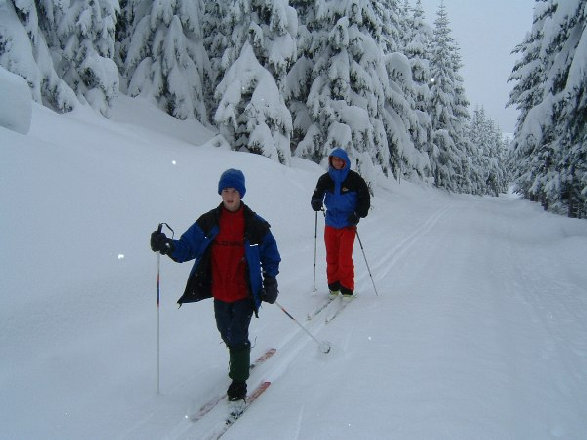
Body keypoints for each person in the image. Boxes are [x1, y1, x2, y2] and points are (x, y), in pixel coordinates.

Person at [150, 168, 280, 402]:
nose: (230, 195)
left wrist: (270, 280)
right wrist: (167, 246)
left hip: (244, 292)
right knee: (226, 332)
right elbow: (186, 247)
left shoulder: (254, 224)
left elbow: (271, 254)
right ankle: (240, 354)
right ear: (221, 193)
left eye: (234, 191)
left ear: (241, 193)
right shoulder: (209, 221)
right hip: (220, 291)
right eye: (226, 191)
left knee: (238, 334)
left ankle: (238, 381)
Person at [311, 148, 370, 298]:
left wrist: (357, 214)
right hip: (330, 222)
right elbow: (317, 194)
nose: (336, 162)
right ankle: (334, 287)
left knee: (344, 258)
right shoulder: (325, 178)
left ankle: (347, 289)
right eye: (334, 159)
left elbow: (365, 199)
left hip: (347, 224)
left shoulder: (354, 179)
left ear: (345, 161)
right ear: (330, 161)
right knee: (331, 256)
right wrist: (316, 202)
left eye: (339, 159)